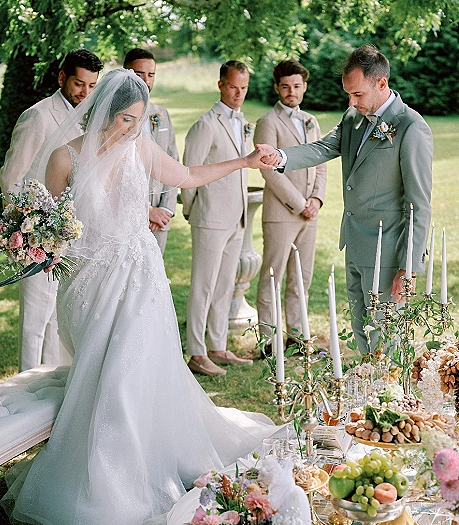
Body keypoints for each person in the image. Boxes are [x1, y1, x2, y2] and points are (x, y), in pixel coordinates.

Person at [0, 69, 277, 525]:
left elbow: (188, 176)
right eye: (127, 118)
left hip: (137, 276)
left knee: (132, 373)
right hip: (87, 281)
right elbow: (53, 218)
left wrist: (246, 161)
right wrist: (36, 242)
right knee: (100, 373)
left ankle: (131, 477)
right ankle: (102, 478)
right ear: (105, 111)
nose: (133, 127)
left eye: (140, 119)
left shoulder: (139, 147)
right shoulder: (64, 156)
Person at [258, 45, 433, 355]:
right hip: (353, 243)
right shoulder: (354, 116)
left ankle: (383, 394)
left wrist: (408, 266)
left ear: (381, 84)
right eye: (348, 95)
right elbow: (323, 148)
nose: (351, 102)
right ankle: (365, 395)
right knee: (361, 329)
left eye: (358, 95)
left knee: (384, 338)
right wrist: (280, 156)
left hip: (387, 250)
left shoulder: (411, 127)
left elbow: (418, 204)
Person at [0, 49, 104, 371]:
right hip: (39, 236)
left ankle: (53, 381)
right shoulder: (38, 116)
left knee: (63, 316)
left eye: (91, 85)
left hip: (77, 235)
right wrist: (28, 230)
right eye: (78, 83)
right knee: (35, 318)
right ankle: (26, 383)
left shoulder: (92, 119)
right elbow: (12, 176)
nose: (84, 92)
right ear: (62, 78)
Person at [181, 60, 254, 377]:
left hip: (236, 218)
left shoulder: (243, 122)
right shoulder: (205, 124)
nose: (239, 94)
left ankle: (218, 346)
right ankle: (196, 353)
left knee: (225, 285)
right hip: (209, 217)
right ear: (221, 85)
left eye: (244, 88)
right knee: (203, 286)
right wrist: (192, 210)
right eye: (233, 87)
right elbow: (188, 173)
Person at [254, 60, 326, 354]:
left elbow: (320, 161)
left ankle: (298, 339)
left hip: (310, 213)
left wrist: (316, 200)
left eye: (297, 86)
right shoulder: (268, 122)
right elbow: (268, 169)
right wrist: (299, 204)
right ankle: (269, 342)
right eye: (286, 87)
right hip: (282, 213)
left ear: (304, 87)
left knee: (301, 278)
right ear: (277, 88)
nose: (291, 92)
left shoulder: (311, 120)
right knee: (273, 276)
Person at [123, 48, 179, 254]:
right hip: (124, 218)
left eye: (151, 74)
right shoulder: (115, 117)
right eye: (139, 74)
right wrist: (146, 211)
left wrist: (165, 210)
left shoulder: (161, 114)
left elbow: (174, 162)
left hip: (159, 221)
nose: (146, 80)